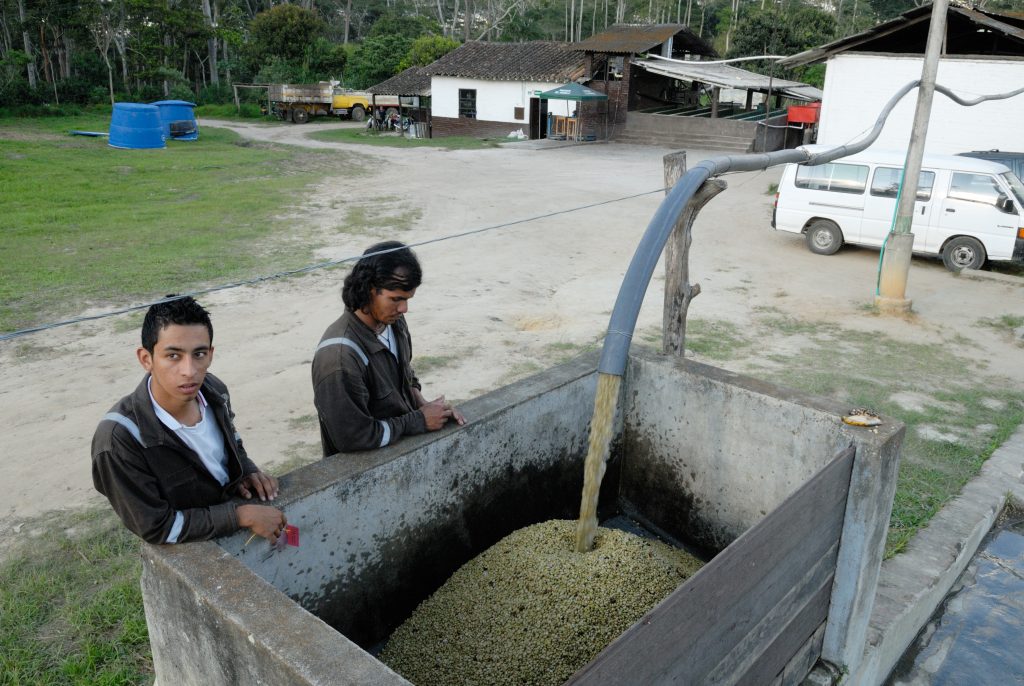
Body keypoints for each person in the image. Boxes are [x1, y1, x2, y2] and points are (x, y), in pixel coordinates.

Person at [92, 296, 286, 545]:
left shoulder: (214, 390)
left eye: (199, 354)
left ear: (211, 354)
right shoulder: (119, 440)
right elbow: (157, 527)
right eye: (173, 356)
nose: (190, 371)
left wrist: (246, 469)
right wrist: (239, 515)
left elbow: (232, 440)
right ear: (146, 359)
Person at [312, 241, 465, 455]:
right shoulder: (339, 358)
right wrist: (418, 420)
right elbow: (353, 437)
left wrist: (420, 401)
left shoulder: (394, 322)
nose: (404, 308)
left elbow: (405, 371)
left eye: (407, 299)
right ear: (368, 290)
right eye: (396, 299)